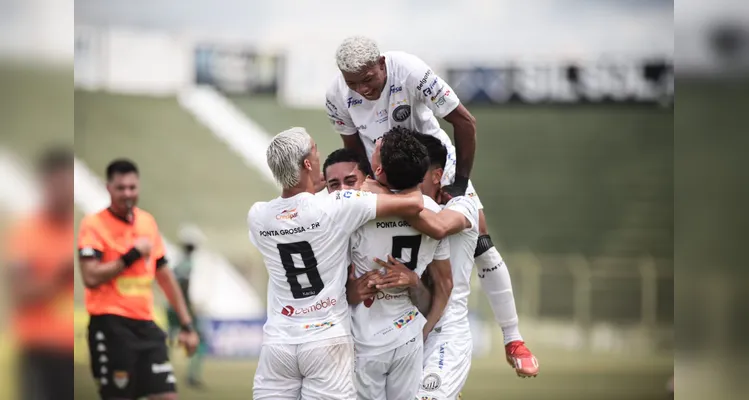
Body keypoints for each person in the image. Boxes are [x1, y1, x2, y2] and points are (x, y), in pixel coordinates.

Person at [325, 35, 538, 377]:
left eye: (368, 79)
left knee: (479, 241)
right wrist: (373, 187)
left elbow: (465, 122)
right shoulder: (337, 96)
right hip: (386, 174)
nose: (362, 89)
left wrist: (459, 183)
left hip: (435, 168)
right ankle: (416, 359)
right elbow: (354, 151)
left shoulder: (409, 71)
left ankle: (513, 338)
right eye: (353, 83)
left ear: (381, 64)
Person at [247, 127, 425, 400]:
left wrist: (305, 184)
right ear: (308, 163)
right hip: (327, 339)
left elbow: (294, 208)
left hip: (279, 342)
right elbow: (414, 203)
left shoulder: (258, 216)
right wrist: (373, 183)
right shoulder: (339, 204)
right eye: (315, 150)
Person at [77, 159, 199, 400]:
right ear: (108, 188)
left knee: (167, 396)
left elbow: (164, 276)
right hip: (111, 326)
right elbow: (90, 277)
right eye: (121, 188)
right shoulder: (94, 225)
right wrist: (131, 256)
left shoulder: (147, 222)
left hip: (146, 326)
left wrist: (187, 325)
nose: (127, 193)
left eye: (132, 187)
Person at [346, 130, 453, 400]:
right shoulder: (433, 211)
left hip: (366, 335)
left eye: (376, 148)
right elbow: (445, 282)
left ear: (379, 169)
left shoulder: (359, 207)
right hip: (408, 333)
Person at [5, 147, 75, 400]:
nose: (64, 191)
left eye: (68, 183)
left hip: (72, 354)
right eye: (58, 183)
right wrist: (60, 276)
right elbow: (20, 293)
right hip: (39, 352)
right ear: (45, 185)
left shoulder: (76, 231)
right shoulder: (27, 233)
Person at [166, 225, 207, 388]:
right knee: (199, 338)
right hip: (181, 307)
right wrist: (188, 308)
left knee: (170, 337)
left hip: (170, 306)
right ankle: (192, 376)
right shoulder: (187, 263)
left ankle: (162, 371)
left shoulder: (177, 259)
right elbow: (183, 287)